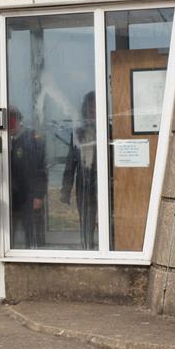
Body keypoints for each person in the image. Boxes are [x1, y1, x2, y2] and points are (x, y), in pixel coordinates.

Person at [60, 91, 98, 249]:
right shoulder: (78, 132)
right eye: (89, 106)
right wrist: (65, 190)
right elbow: (70, 164)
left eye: (95, 106)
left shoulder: (109, 130)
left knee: (108, 221)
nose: (91, 110)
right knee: (86, 221)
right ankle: (87, 249)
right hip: (84, 185)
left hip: (105, 185)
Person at [9, 107, 47, 249]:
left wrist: (38, 195)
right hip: (13, 196)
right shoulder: (6, 141)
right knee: (9, 233)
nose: (10, 128)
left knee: (31, 231)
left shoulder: (31, 139)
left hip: (29, 195)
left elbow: (40, 169)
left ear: (18, 121)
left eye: (12, 123)